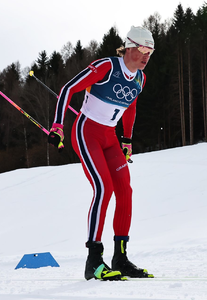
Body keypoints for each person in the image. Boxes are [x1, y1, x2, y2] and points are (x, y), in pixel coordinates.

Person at [47, 26, 155, 281]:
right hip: (87, 132)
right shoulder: (107, 66)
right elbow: (67, 89)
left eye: (150, 52)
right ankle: (94, 261)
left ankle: (121, 257)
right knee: (104, 188)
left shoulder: (140, 78)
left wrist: (126, 139)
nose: (146, 56)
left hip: (110, 138)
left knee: (125, 191)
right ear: (129, 47)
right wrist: (58, 125)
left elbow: (130, 107)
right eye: (142, 50)